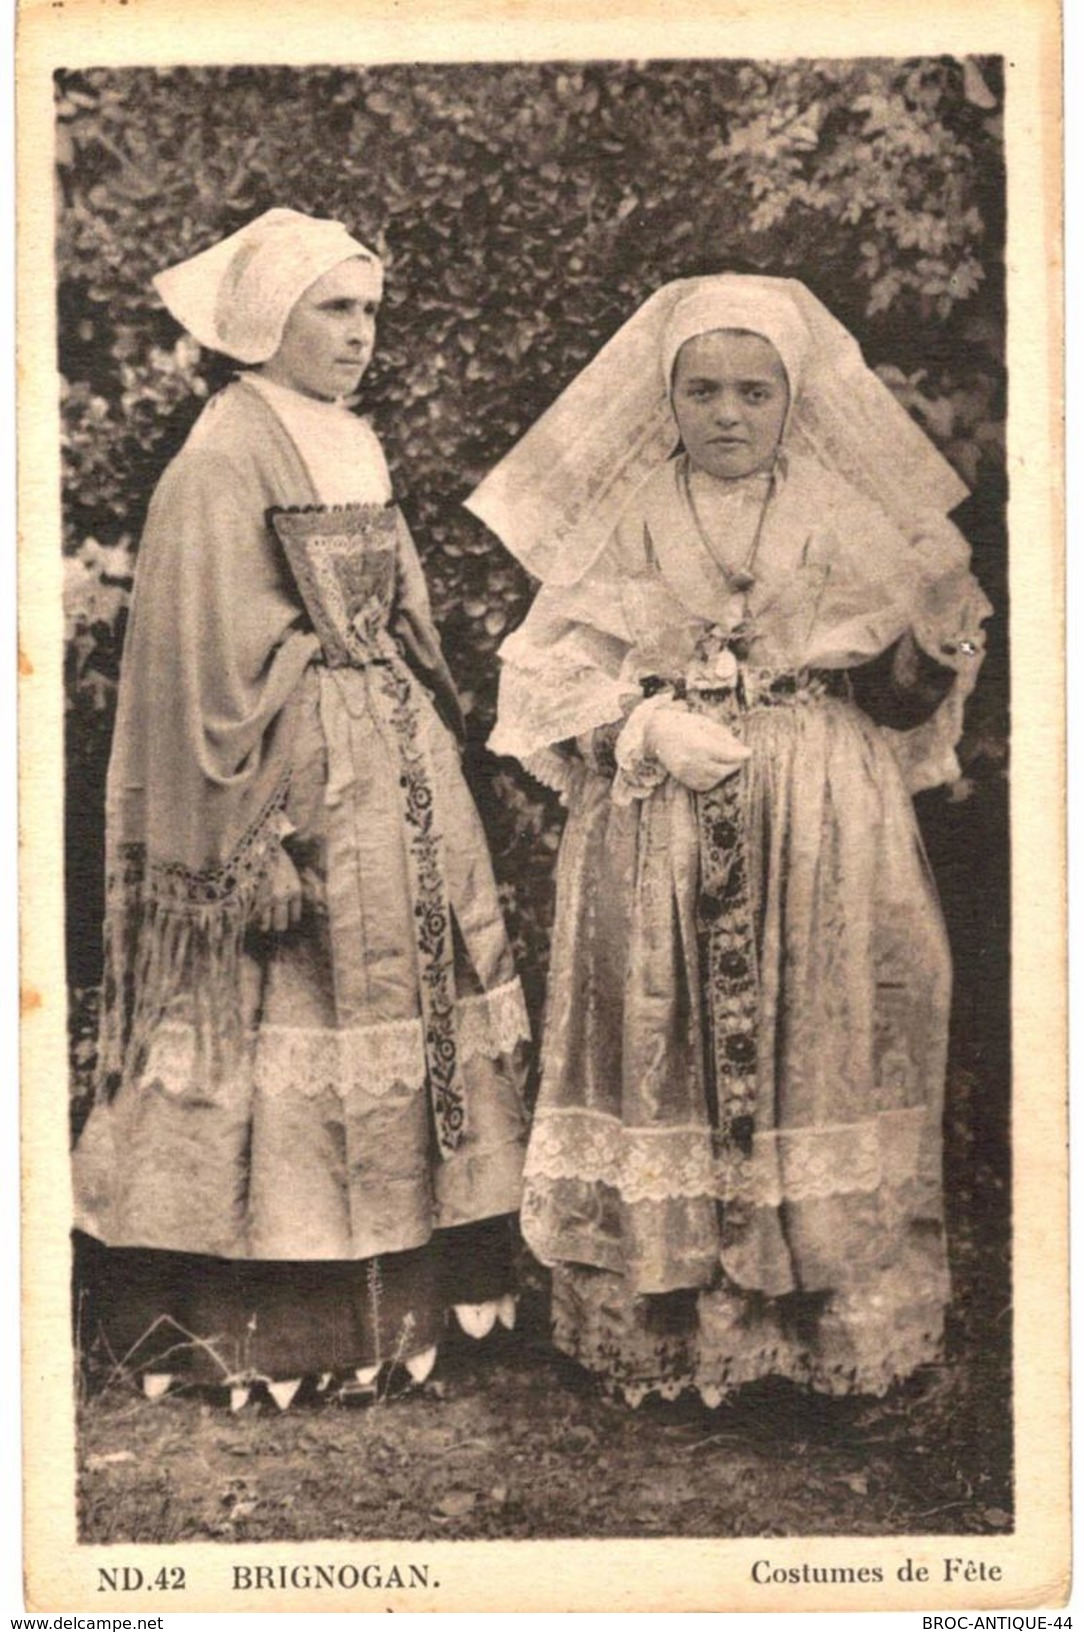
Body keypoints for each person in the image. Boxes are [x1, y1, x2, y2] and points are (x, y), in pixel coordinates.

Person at [466, 274, 991, 1407]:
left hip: (821, 818)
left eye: (753, 392)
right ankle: (664, 1321)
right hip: (658, 817)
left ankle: (824, 1323)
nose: (727, 414)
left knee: (826, 1029)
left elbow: (895, 698)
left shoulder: (851, 514)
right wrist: (642, 722)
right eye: (701, 391)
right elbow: (548, 683)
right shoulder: (626, 515)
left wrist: (937, 650)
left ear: (791, 400)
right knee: (661, 1030)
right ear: (667, 401)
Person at [73, 209, 529, 1410]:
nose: (359, 334)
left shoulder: (350, 439)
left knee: (411, 998)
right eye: (336, 309)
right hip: (288, 783)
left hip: (390, 770)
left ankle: (415, 1307)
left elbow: (397, 619)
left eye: (370, 310)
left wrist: (414, 715)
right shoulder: (224, 454)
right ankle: (262, 1328)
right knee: (296, 1012)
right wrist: (261, 828)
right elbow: (198, 660)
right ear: (268, 319)